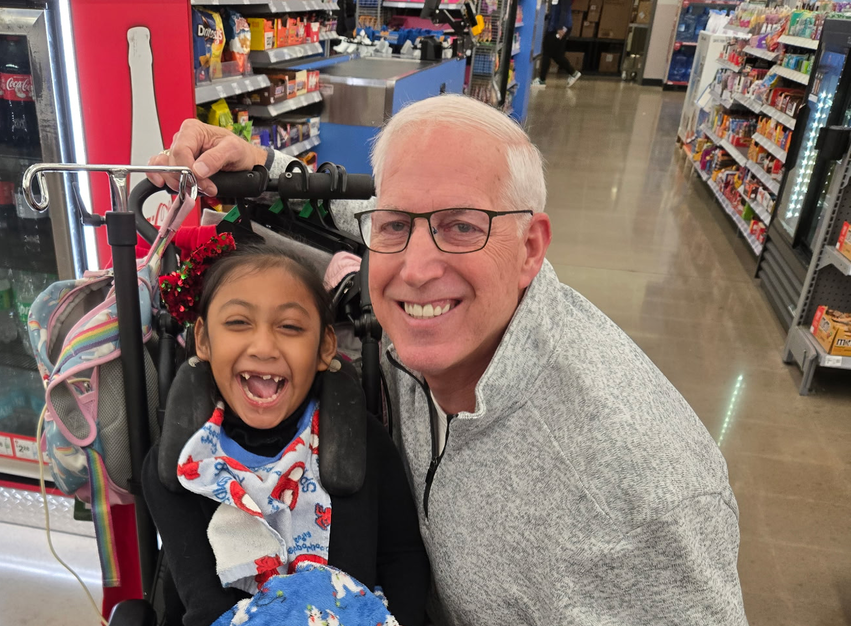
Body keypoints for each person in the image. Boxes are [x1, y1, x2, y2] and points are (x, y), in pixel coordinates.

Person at [147, 94, 748, 625]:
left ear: (531, 247)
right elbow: (369, 215)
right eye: (396, 226)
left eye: (463, 227)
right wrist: (265, 166)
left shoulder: (640, 494)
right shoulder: (442, 318)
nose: (416, 268)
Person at [141, 245, 429, 626]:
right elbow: (206, 606)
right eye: (238, 322)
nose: (263, 347)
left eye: (290, 327)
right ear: (204, 341)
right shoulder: (184, 467)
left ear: (326, 347)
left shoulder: (363, 445)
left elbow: (402, 557)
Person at [533, 0, 582, 87]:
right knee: (557, 55)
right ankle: (573, 73)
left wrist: (560, 28)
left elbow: (564, 10)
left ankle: (542, 80)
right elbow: (556, 8)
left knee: (547, 51)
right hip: (557, 26)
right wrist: (549, 16)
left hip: (559, 28)